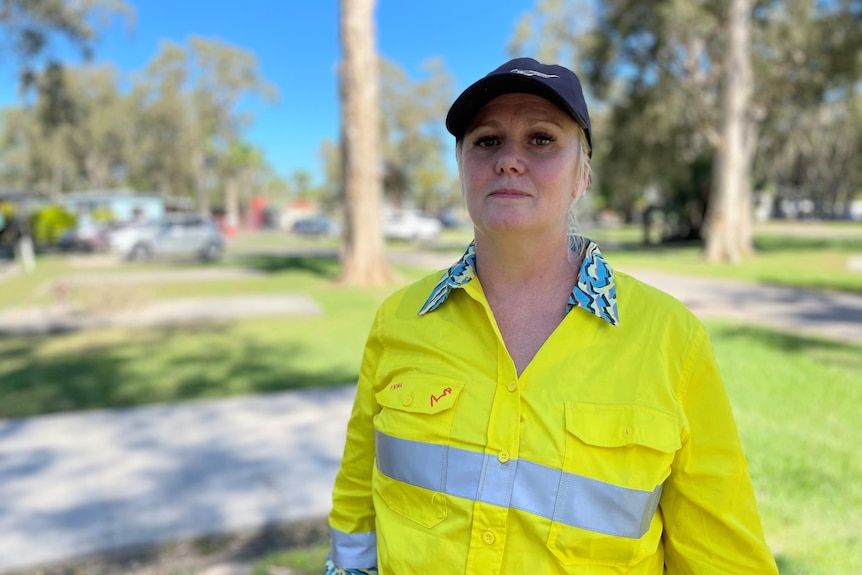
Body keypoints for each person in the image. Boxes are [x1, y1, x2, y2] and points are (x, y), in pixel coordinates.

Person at [325, 57, 779, 574]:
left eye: (541, 139)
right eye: (486, 141)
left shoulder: (673, 340)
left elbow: (724, 557)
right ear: (462, 167)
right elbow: (356, 505)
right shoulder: (398, 321)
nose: (509, 160)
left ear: (582, 174)